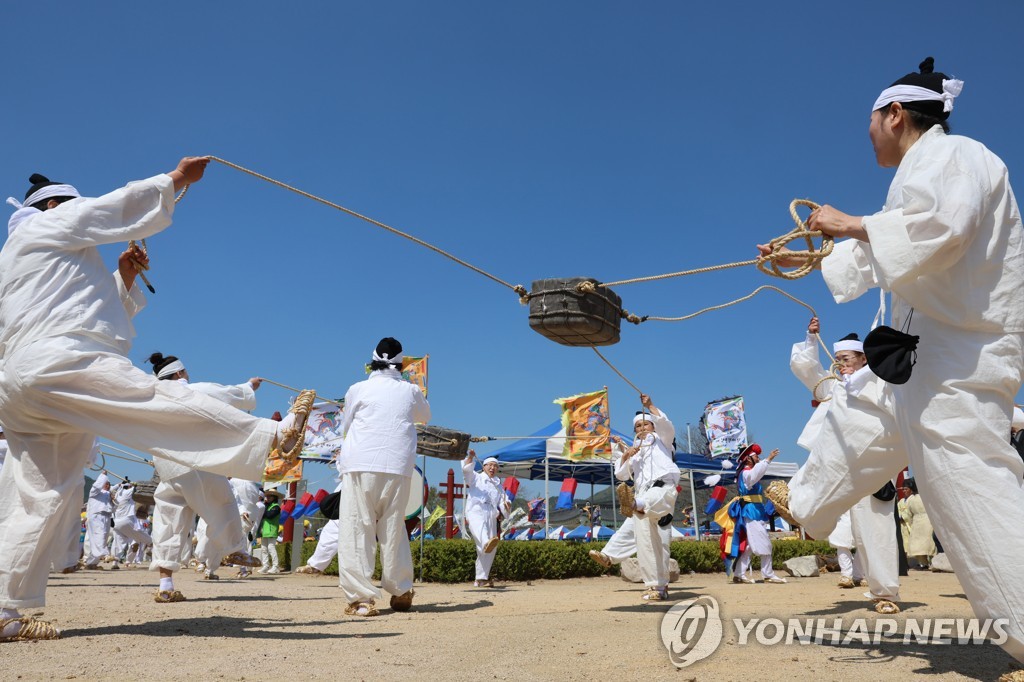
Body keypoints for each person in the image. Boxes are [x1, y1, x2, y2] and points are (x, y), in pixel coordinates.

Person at [759, 57, 1024, 660]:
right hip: (914, 356)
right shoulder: (918, 173)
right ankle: (805, 502)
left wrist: (850, 224)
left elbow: (940, 228)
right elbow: (887, 251)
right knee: (859, 419)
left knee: (968, 491)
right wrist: (812, 248)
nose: (868, 133)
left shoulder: (959, 157)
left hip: (959, 359)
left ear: (895, 114)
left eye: (871, 121)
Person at [0, 159, 314, 641]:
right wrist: (176, 179)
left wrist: (123, 275)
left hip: (21, 385)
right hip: (57, 360)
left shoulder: (21, 256)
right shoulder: (48, 222)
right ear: (58, 205)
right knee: (152, 397)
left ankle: (6, 610)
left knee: (35, 498)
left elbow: (85, 309)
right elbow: (111, 211)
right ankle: (274, 437)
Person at [785, 318, 903, 606]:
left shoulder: (880, 382)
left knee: (876, 528)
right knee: (844, 529)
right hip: (838, 468)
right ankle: (798, 507)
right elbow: (805, 369)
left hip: (871, 464)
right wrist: (812, 339)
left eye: (847, 359)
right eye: (837, 359)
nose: (841, 364)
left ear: (863, 358)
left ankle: (885, 592)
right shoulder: (834, 386)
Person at [146, 352, 265, 597]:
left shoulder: (154, 399)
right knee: (223, 503)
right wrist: (250, 386)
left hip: (167, 469)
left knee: (168, 523)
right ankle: (235, 549)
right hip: (194, 462)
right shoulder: (193, 390)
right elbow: (230, 394)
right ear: (179, 373)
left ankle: (165, 586)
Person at [336, 337, 431, 617]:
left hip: (360, 463)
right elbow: (425, 416)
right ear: (401, 364)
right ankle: (401, 590)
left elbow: (346, 426)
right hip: (398, 465)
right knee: (393, 527)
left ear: (373, 360)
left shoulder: (358, 388)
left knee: (357, 527)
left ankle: (360, 599)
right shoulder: (411, 390)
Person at [613, 407, 679, 602]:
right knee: (646, 544)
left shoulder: (663, 441)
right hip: (643, 493)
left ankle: (634, 502)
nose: (642, 428)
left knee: (662, 539)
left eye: (646, 424)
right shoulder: (636, 451)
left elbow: (667, 427)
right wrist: (626, 455)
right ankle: (657, 587)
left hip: (663, 489)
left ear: (653, 426)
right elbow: (621, 475)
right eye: (638, 426)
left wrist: (650, 406)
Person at [731, 444, 787, 585]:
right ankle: (768, 574)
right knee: (764, 542)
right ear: (748, 459)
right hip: (751, 510)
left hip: (754, 509)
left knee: (749, 545)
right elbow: (756, 474)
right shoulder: (746, 473)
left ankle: (739, 574)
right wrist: (768, 459)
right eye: (755, 455)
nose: (758, 457)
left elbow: (756, 473)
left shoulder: (746, 472)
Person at [462, 450, 511, 588]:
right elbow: (466, 472)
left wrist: (507, 505)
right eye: (489, 465)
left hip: (491, 513)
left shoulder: (498, 485)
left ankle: (481, 579)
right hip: (476, 510)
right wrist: (471, 457)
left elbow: (503, 501)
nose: (492, 468)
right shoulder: (476, 478)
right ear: (483, 466)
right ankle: (485, 542)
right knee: (480, 531)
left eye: (495, 466)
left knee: (490, 548)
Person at [83, 471, 114, 569]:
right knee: (98, 535)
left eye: (109, 484)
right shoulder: (94, 492)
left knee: (104, 538)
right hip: (96, 516)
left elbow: (114, 508)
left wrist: (113, 500)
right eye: (106, 483)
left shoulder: (109, 495)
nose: (108, 485)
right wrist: (103, 475)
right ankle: (104, 554)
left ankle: (91, 563)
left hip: (106, 517)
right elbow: (97, 486)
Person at [903, 479, 935, 569]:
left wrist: (911, 523)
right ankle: (933, 563)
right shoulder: (927, 496)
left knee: (918, 545)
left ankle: (923, 563)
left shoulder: (910, 499)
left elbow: (908, 514)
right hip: (928, 520)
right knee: (930, 543)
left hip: (916, 522)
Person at [258, 488, 282, 575]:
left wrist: (262, 510)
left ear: (274, 497)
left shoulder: (276, 507)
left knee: (271, 548)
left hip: (272, 530)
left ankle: (275, 566)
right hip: (264, 531)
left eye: (269, 496)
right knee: (264, 549)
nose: (267, 497)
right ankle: (265, 566)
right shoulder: (266, 506)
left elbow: (269, 515)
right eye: (266, 496)